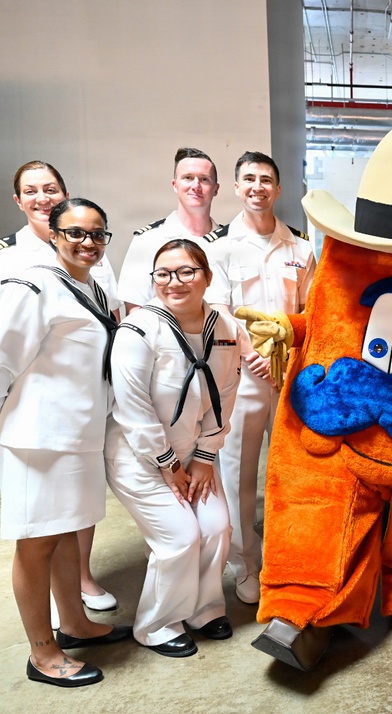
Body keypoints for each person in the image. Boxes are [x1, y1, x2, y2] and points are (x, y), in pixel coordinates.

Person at [0, 198, 131, 687]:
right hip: (38, 438)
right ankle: (41, 652)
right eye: (75, 233)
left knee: (66, 532)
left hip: (78, 434)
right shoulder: (32, 286)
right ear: (53, 235)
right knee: (37, 542)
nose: (88, 243)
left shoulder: (92, 287)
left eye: (98, 234)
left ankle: (74, 623)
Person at [105, 239, 243, 657]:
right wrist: (168, 465)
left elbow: (227, 392)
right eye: (163, 274)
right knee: (181, 536)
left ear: (207, 277)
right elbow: (132, 408)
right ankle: (158, 624)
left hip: (193, 455)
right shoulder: (139, 328)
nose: (174, 282)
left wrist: (204, 458)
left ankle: (203, 608)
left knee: (218, 525)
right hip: (139, 456)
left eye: (186, 272)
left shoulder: (224, 327)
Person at [203, 151, 315, 604]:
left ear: (279, 189)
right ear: (235, 187)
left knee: (292, 473)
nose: (257, 187)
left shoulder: (301, 247)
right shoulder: (219, 247)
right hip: (243, 376)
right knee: (239, 473)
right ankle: (245, 563)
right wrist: (254, 355)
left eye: (266, 179)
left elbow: (310, 311)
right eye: (248, 179)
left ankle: (290, 558)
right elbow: (219, 308)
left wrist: (287, 355)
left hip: (290, 375)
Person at [118, 148, 220, 313]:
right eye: (188, 178)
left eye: (204, 179)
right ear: (175, 185)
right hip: (165, 337)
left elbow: (231, 316)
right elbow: (135, 309)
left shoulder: (229, 240)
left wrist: (222, 340)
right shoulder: (147, 240)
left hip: (221, 338)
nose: (196, 186)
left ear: (216, 188)